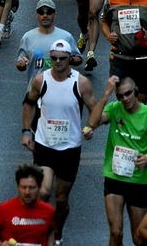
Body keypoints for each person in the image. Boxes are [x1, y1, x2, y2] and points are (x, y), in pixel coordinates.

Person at [21, 39, 96, 243]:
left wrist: (91, 126)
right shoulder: (40, 80)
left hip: (70, 148)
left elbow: (95, 109)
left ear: (70, 58)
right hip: (45, 144)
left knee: (61, 199)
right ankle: (41, 233)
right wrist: (26, 131)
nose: (57, 62)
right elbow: (28, 104)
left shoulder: (80, 83)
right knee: (43, 192)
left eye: (62, 58)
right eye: (53, 58)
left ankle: (58, 231)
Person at [86, 74, 147, 246]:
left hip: (138, 181)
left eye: (128, 94)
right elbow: (93, 122)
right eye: (120, 96)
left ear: (136, 91)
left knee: (139, 238)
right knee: (116, 232)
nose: (124, 99)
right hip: (114, 177)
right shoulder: (114, 108)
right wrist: (106, 95)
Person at [0, 162, 54, 246]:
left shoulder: (49, 211)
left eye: (32, 187)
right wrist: (0, 244)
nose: (27, 192)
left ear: (39, 187)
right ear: (17, 187)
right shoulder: (5, 209)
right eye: (23, 187)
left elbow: (51, 230)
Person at [16, 0, 83, 82]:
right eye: (41, 12)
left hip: (61, 88)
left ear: (54, 14)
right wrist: (21, 64)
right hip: (36, 89)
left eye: (49, 12)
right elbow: (20, 62)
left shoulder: (66, 37)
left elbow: (79, 59)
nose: (45, 15)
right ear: (37, 15)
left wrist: (70, 59)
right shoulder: (28, 37)